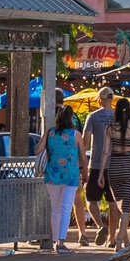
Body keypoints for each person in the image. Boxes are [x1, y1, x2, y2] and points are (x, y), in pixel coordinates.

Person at [41, 106, 81, 252]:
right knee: (66, 207)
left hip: (52, 175)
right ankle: (61, 242)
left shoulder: (50, 132)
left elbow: (37, 150)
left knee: (55, 209)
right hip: (71, 175)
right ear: (71, 118)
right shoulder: (75, 134)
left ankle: (54, 240)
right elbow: (82, 155)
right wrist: (85, 172)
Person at [106, 103, 130, 247]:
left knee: (120, 205)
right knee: (127, 207)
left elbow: (105, 152)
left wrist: (101, 173)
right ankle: (119, 242)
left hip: (114, 167)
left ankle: (124, 240)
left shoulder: (110, 128)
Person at [82, 88, 117, 245]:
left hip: (96, 164)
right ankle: (112, 238)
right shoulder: (118, 117)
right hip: (115, 164)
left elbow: (85, 140)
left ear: (100, 99)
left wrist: (82, 162)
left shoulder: (93, 117)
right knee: (113, 203)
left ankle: (101, 226)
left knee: (91, 199)